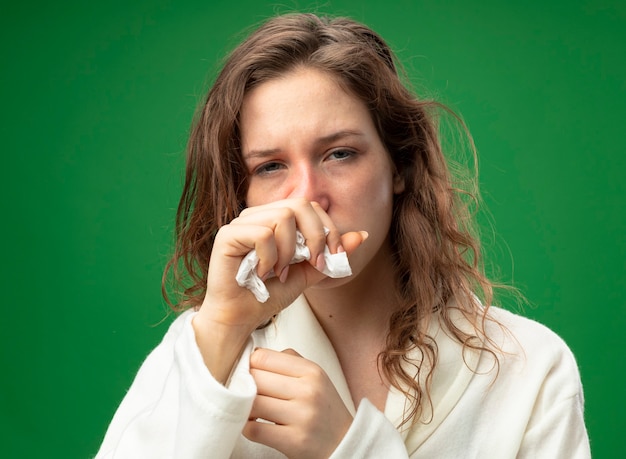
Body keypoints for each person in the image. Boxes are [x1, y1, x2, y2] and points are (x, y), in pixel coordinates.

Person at [97, 13, 590, 458]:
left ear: (398, 165)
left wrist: (349, 448)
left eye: (339, 154)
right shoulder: (206, 348)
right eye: (270, 166)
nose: (307, 196)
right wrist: (223, 326)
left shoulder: (531, 370)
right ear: (243, 195)